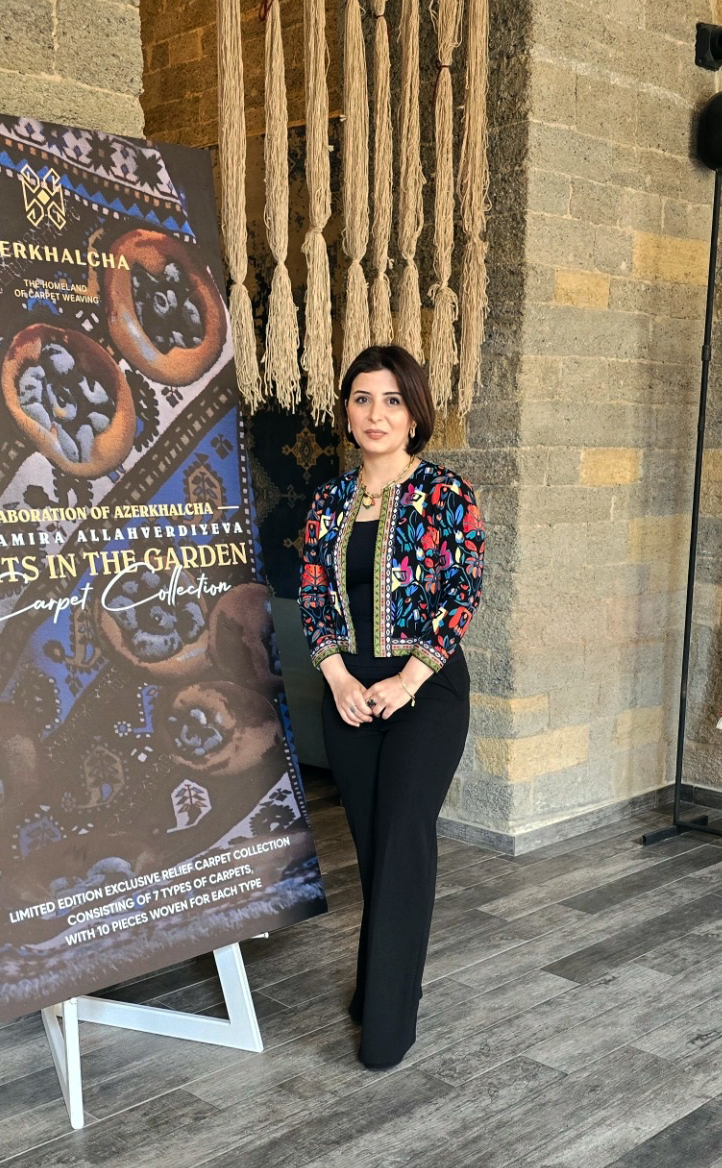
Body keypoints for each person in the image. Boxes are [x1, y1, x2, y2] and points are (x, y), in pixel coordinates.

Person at [298, 344, 484, 1069]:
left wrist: (406, 682)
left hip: (426, 690)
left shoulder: (447, 494)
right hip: (348, 692)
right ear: (347, 412)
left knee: (405, 838)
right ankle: (379, 986)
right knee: (374, 847)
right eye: (362, 399)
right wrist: (339, 680)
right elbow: (314, 597)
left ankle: (388, 1025)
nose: (376, 414)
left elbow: (462, 593)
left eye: (392, 400)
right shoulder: (328, 502)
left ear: (414, 414)